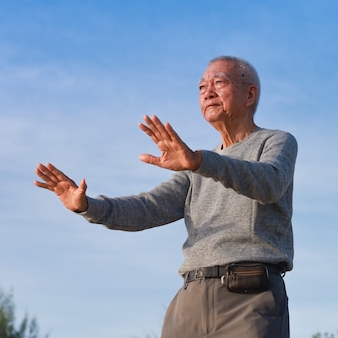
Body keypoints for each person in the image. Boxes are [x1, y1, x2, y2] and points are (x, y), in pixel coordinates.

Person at [34, 56, 298, 338]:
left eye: (219, 83)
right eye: (201, 87)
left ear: (250, 94)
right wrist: (88, 206)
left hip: (249, 297)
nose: (207, 92)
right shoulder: (195, 167)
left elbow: (269, 183)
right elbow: (149, 207)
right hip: (189, 302)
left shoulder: (275, 141)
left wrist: (200, 161)